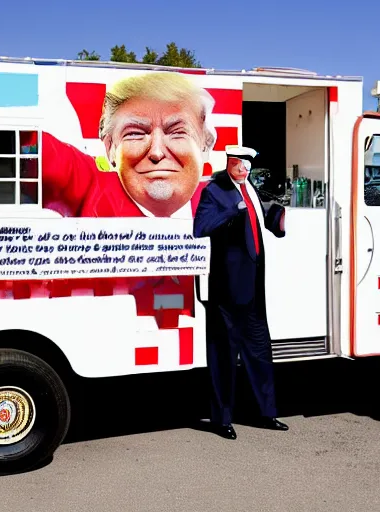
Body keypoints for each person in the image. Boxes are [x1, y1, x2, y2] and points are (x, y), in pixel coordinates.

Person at [193, 145, 289, 440]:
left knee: (260, 353)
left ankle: (266, 413)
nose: (245, 168)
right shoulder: (215, 191)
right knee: (223, 356)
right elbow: (201, 227)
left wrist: (276, 219)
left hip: (254, 288)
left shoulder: (250, 189)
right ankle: (222, 420)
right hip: (227, 291)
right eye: (240, 163)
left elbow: (257, 223)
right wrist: (232, 211)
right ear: (230, 162)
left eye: (249, 164)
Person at [40, 72, 217, 219]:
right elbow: (42, 151)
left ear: (205, 144)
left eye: (177, 132)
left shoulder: (222, 202)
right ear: (110, 147)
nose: (156, 152)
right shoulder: (90, 187)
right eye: (135, 133)